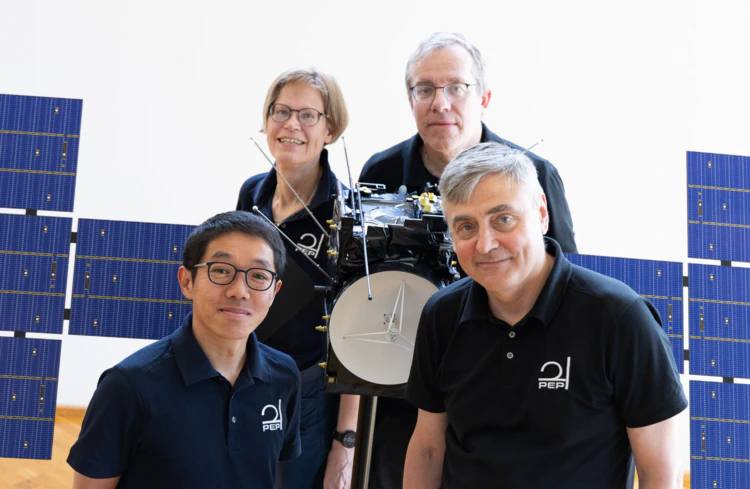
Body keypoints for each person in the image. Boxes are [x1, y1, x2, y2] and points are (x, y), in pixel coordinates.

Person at [358, 32, 579, 489]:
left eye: (456, 87)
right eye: (425, 89)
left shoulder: (533, 173)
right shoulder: (379, 173)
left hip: (511, 383)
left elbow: (567, 286)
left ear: (484, 97)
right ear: (411, 99)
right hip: (402, 390)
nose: (441, 103)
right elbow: (359, 284)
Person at [404, 142, 687, 489]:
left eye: (503, 219)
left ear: (541, 214)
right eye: (466, 227)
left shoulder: (619, 318)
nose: (485, 244)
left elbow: (662, 473)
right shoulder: (441, 316)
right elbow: (428, 450)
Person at [67, 211, 301, 489]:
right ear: (187, 282)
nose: (239, 291)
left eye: (259, 275)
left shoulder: (284, 376)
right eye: (221, 271)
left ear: (274, 291)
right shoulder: (128, 386)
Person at [236, 67, 358, 489]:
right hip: (243, 373)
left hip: (306, 391)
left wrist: (346, 444)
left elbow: (357, 337)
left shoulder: (349, 214)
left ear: (331, 129)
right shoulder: (252, 194)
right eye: (281, 111)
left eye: (308, 115)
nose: (291, 124)